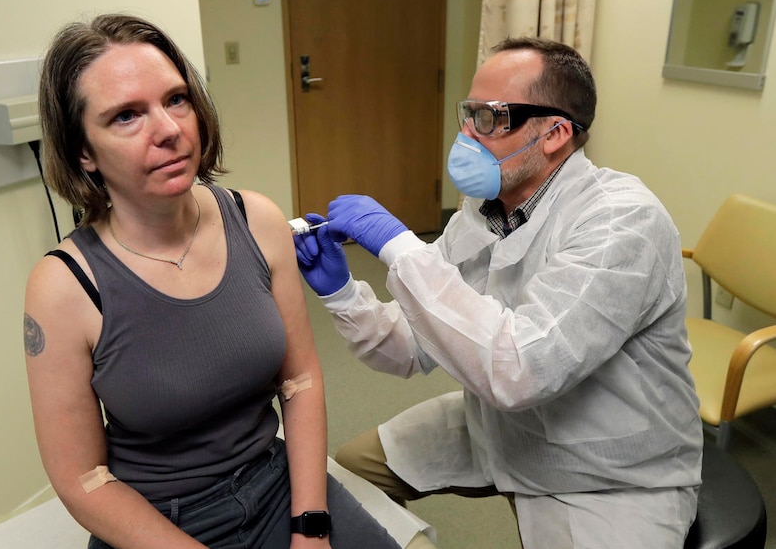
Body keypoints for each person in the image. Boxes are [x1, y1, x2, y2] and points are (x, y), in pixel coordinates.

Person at [294, 36, 703, 548]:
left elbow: (522, 369)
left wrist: (403, 249)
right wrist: (342, 294)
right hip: (499, 427)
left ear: (554, 133)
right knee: (351, 476)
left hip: (608, 471)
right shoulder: (482, 212)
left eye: (490, 117)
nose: (467, 133)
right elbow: (410, 347)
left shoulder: (622, 220)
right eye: (468, 114)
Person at [23, 13, 402, 549]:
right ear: (83, 151)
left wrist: (310, 526)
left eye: (176, 99)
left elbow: (301, 382)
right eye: (127, 116)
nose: (170, 130)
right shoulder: (64, 287)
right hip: (158, 523)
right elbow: (83, 481)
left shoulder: (258, 221)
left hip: (278, 487)